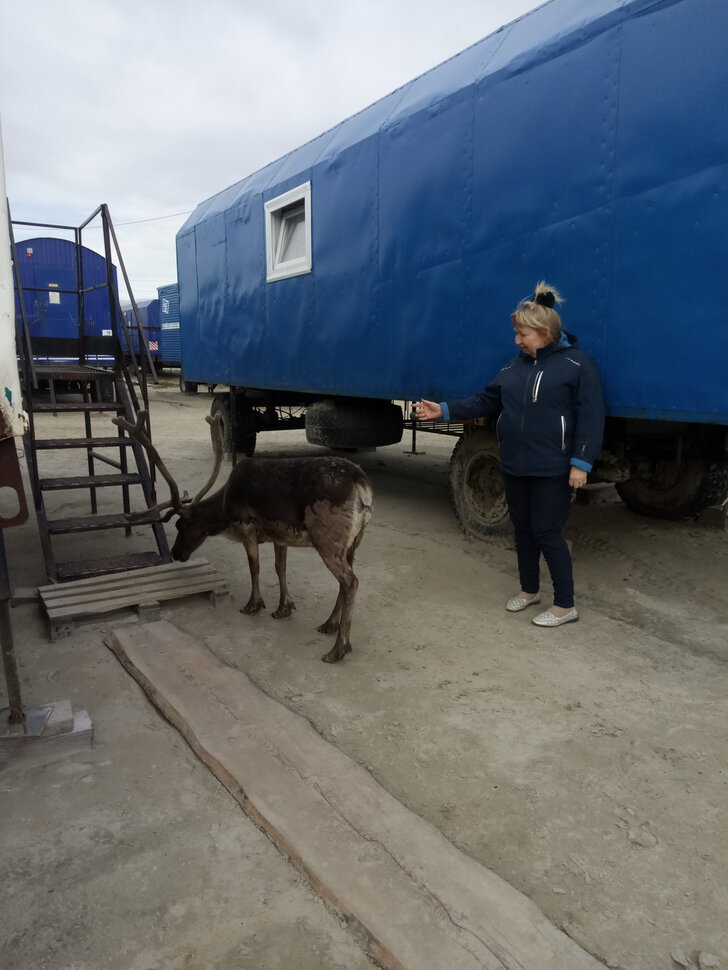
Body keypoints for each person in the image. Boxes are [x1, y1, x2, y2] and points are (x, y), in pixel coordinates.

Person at [414, 282, 605, 627]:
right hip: (515, 463)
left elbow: (591, 416)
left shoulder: (578, 365)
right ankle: (529, 590)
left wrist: (581, 462)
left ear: (545, 332)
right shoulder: (512, 368)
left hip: (553, 466)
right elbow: (483, 402)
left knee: (547, 530)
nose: (517, 340)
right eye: (516, 333)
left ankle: (565, 604)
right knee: (523, 529)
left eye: (523, 334)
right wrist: (440, 409)